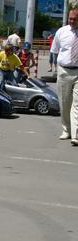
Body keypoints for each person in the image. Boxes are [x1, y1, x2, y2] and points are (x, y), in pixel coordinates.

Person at [50, 8, 78, 146]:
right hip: (64, 71)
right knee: (64, 103)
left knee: (77, 104)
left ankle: (76, 135)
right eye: (70, 18)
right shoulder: (61, 32)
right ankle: (66, 130)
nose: (71, 21)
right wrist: (57, 69)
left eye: (75, 19)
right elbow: (55, 51)